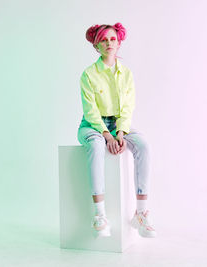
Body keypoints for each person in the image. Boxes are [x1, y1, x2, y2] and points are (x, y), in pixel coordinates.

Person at [77, 23, 156, 238]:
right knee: (95, 145)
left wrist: (120, 133)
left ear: (119, 43)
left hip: (119, 126)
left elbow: (128, 108)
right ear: (96, 46)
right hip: (92, 126)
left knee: (143, 145)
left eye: (112, 39)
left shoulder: (126, 74)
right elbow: (91, 110)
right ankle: (99, 214)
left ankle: (140, 213)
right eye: (103, 40)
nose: (108, 43)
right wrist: (106, 135)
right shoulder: (88, 75)